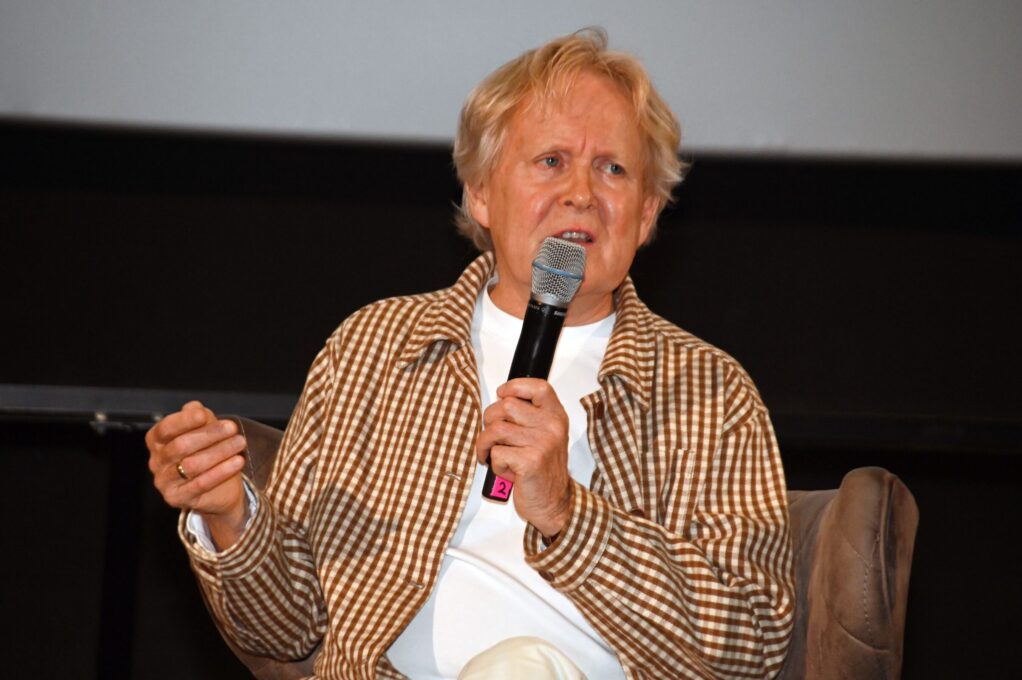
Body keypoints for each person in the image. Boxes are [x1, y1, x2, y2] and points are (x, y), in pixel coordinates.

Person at [146, 29, 794, 679]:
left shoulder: (708, 391)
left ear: (647, 213)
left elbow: (753, 648)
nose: (581, 192)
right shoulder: (374, 348)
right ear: (481, 192)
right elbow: (284, 628)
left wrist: (567, 514)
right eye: (551, 161)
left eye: (613, 168)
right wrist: (229, 514)